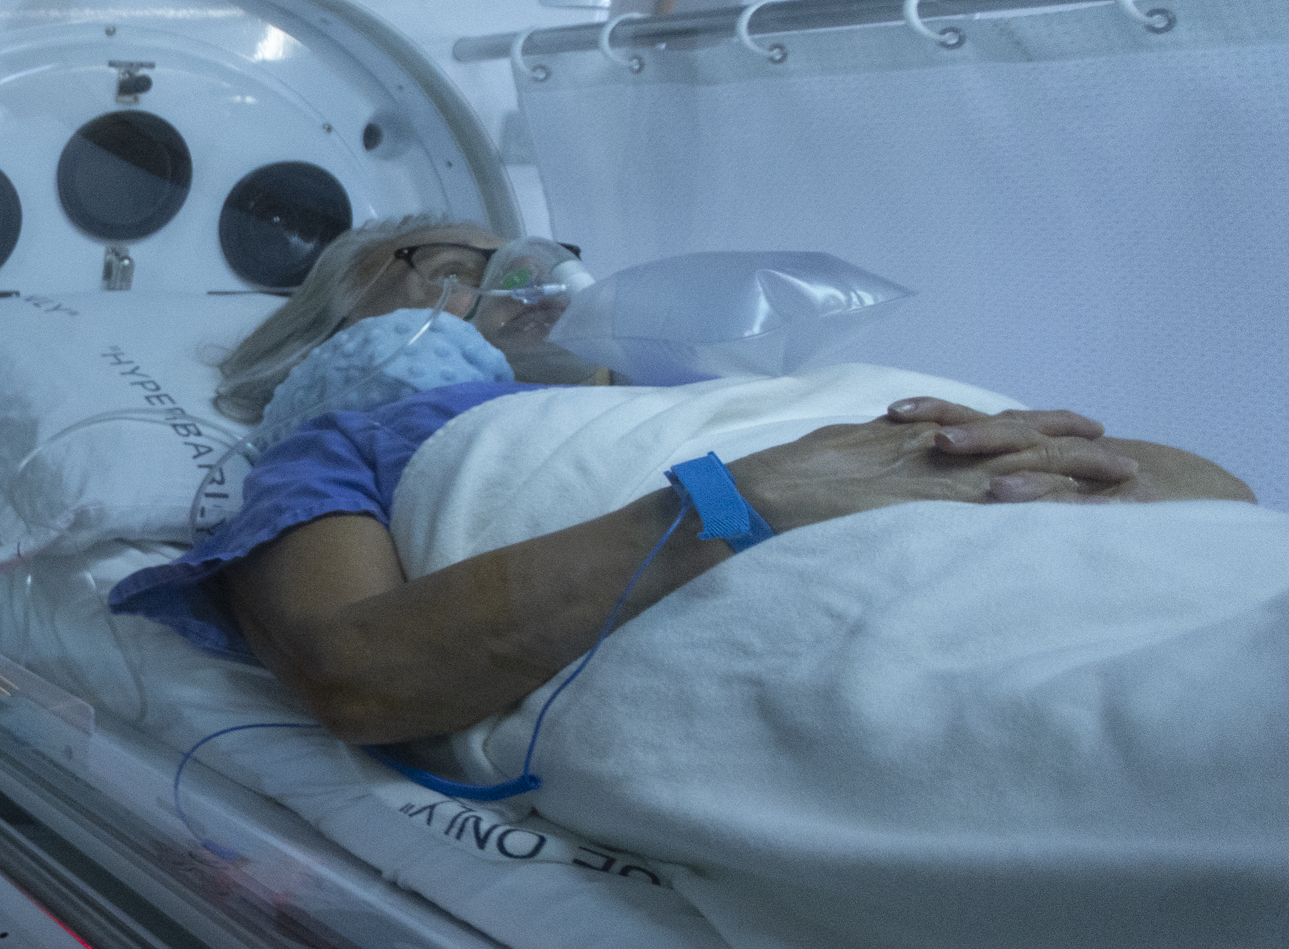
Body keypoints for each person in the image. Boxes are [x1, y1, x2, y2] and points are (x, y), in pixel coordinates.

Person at [111, 218, 1255, 746]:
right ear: (351, 328)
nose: (525, 277)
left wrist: (1090, 465)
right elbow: (353, 674)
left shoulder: (802, 396)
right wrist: (740, 496)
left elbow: (1227, 502)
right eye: (451, 269)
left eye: (534, 255)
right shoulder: (354, 431)